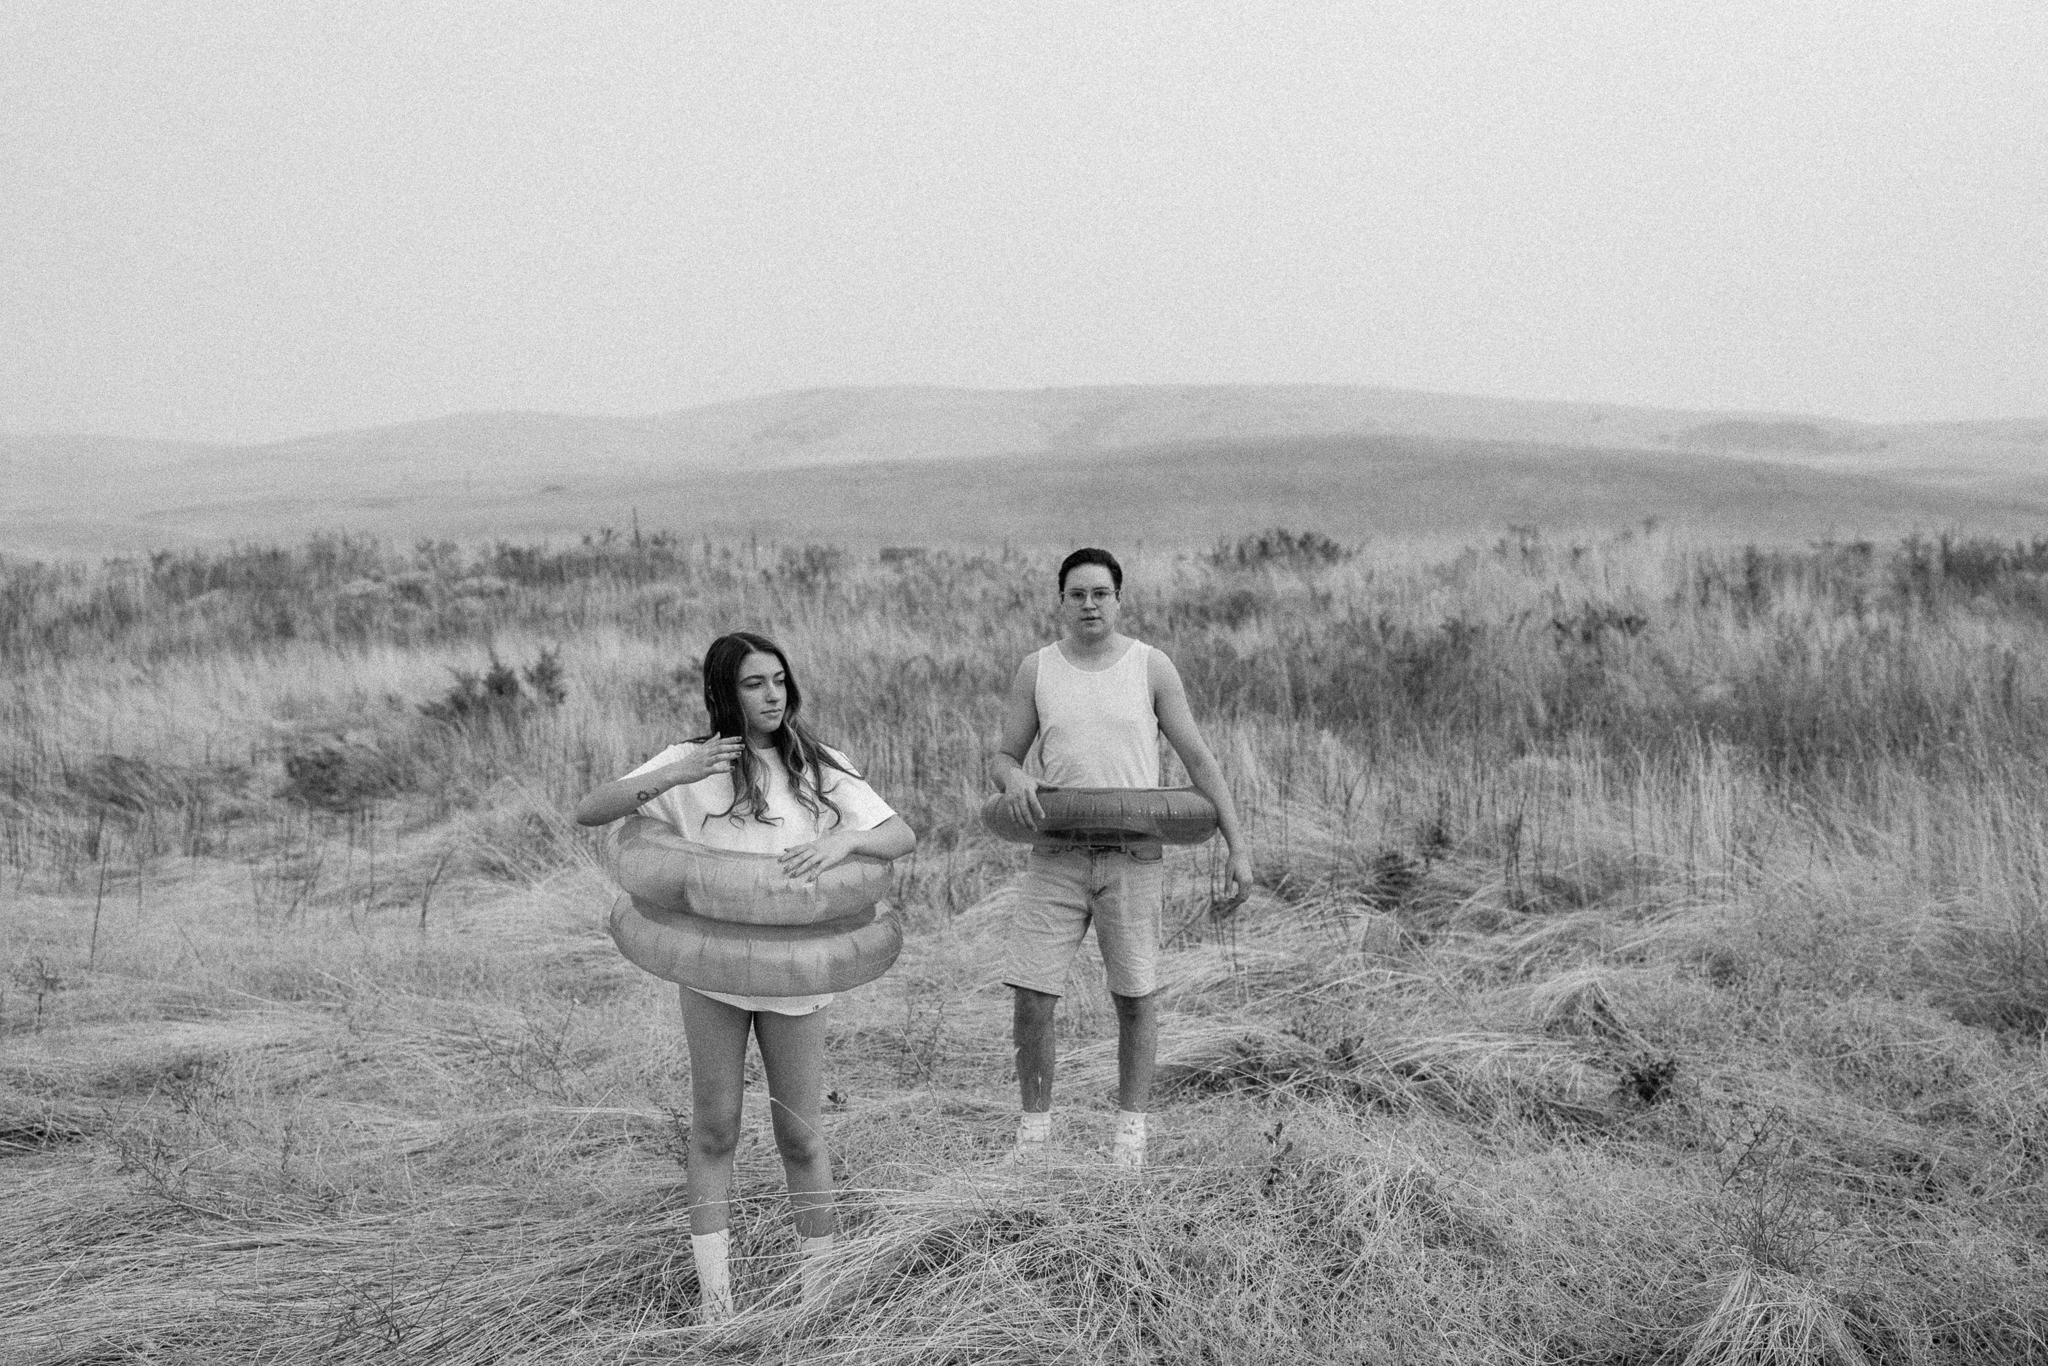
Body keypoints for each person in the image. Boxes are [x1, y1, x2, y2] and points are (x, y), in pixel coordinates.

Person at [575, 631, 915, 1322]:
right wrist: (674, 774)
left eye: (780, 681)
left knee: (800, 1134)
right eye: (755, 683)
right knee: (714, 1129)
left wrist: (848, 837)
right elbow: (591, 810)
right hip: (713, 975)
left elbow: (900, 834)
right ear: (724, 692)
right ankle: (716, 1304)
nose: (772, 695)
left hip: (797, 974)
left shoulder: (820, 764)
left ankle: (818, 1299)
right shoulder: (690, 764)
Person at [989, 547, 1252, 1169]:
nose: (1088, 605)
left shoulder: (1151, 667)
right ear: (1061, 601)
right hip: (1055, 856)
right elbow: (1003, 756)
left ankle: (1129, 1144)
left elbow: (1199, 759)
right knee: (1032, 995)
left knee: (1135, 997)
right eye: (1077, 594)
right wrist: (1014, 780)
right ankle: (1034, 1143)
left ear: (1118, 599)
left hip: (1134, 857)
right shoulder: (1036, 669)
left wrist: (1239, 848)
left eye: (1100, 594)